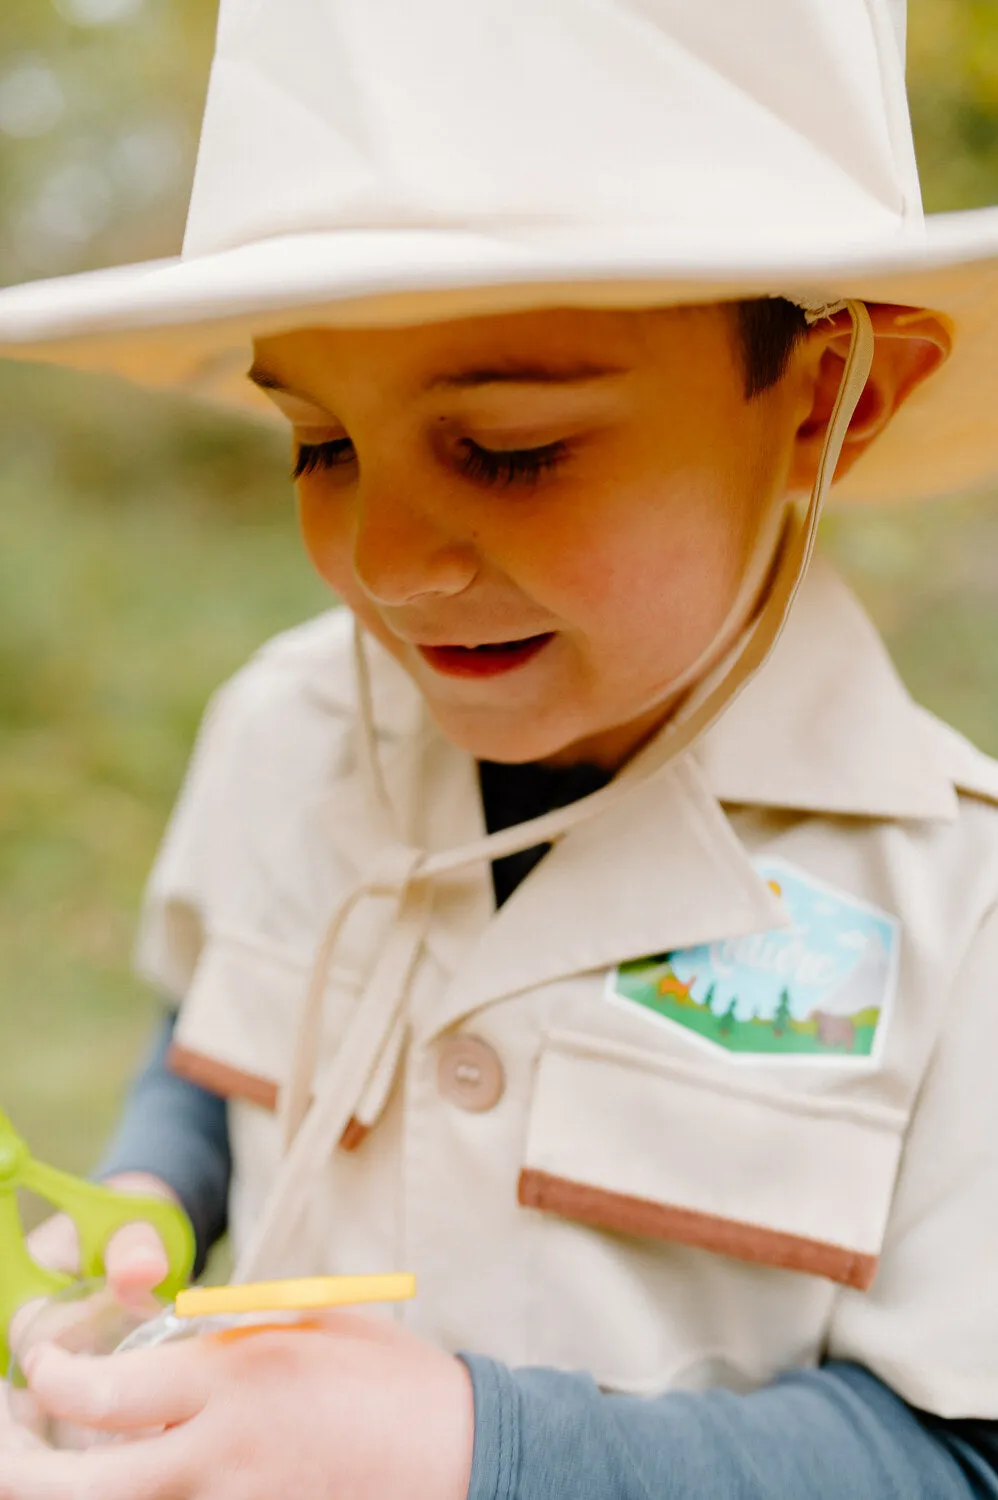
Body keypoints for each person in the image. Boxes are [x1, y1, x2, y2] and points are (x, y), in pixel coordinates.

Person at [2, 1, 998, 1496]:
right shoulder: (282, 729)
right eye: (320, 445)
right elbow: (209, 1042)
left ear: (825, 405)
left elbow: (949, 1460)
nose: (382, 560)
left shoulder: (956, 906)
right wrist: (158, 1181)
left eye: (511, 448)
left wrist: (472, 1450)